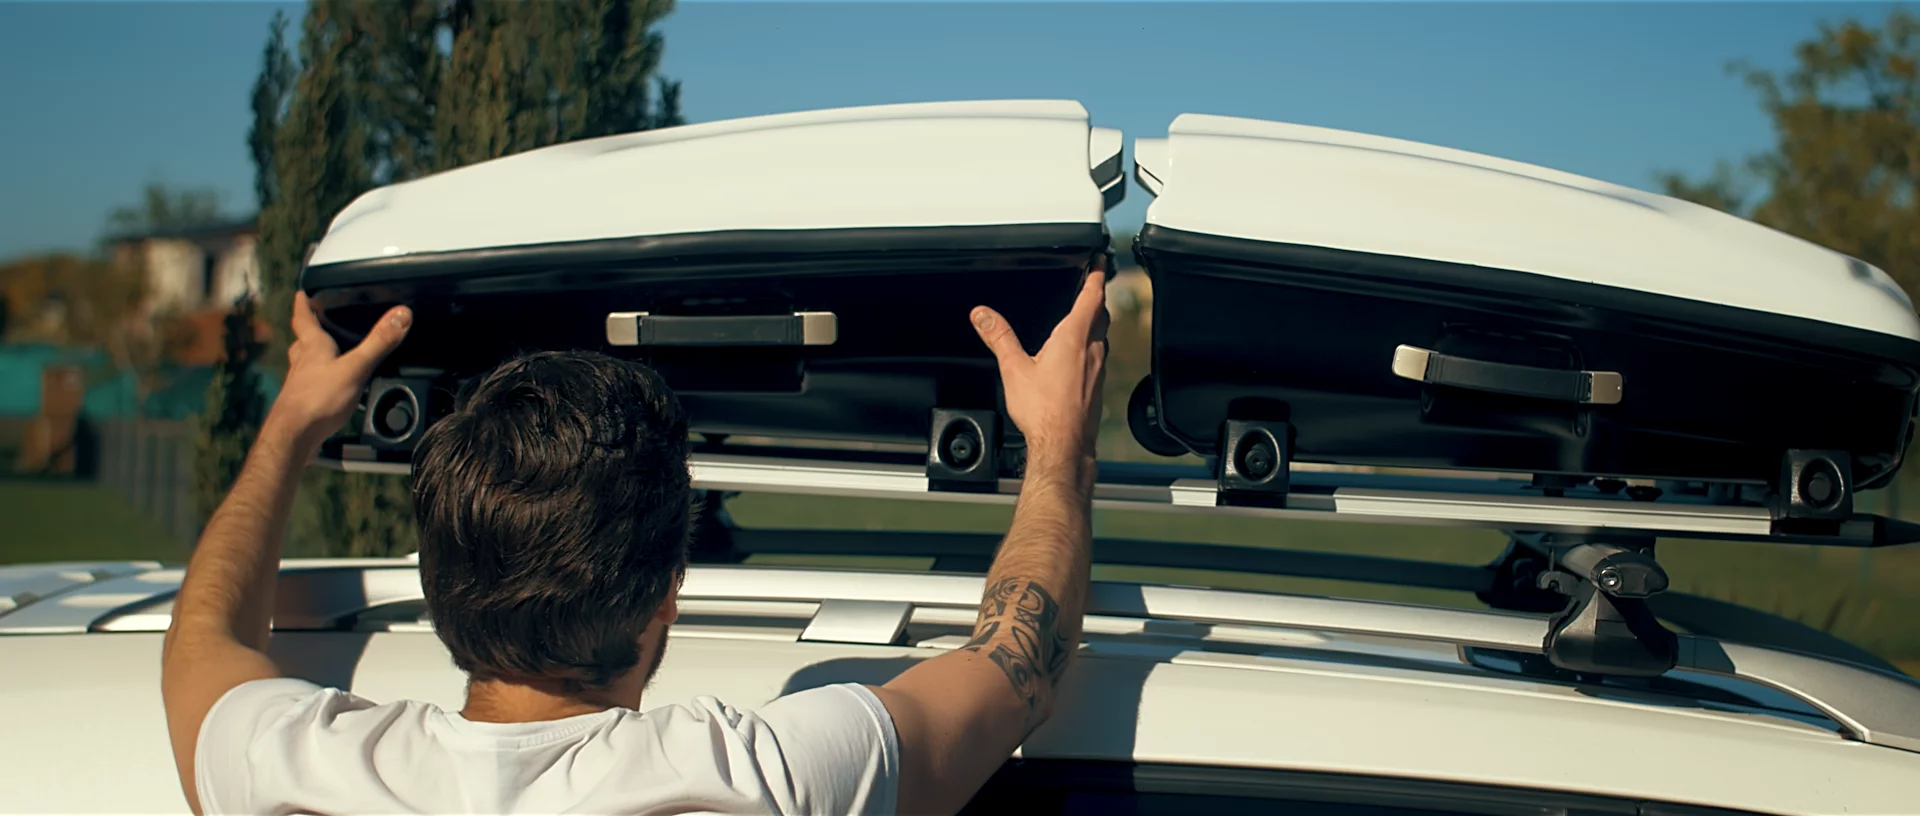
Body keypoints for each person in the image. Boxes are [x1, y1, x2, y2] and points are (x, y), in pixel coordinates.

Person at [160, 266, 1110, 815]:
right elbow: (1021, 660)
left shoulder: (292, 769)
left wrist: (292, 423)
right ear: (667, 593)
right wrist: (1058, 444)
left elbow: (204, 635)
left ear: (439, 581)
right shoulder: (764, 782)